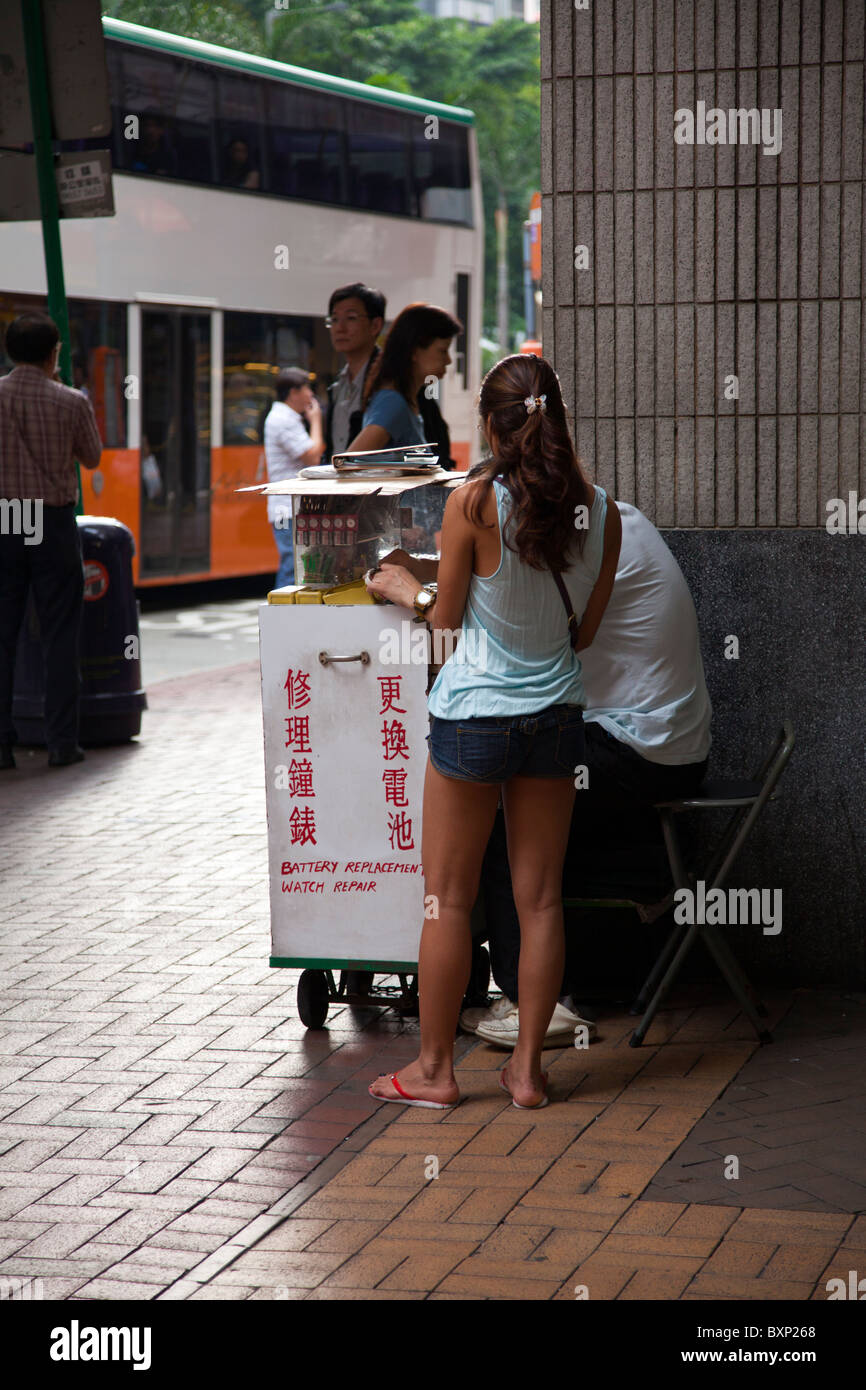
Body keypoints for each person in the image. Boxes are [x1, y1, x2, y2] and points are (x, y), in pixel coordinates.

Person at [364, 354, 622, 1110]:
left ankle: (437, 1072)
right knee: (540, 900)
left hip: (474, 716)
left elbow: (444, 630)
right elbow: (585, 635)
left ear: (491, 422)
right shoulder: (600, 509)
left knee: (446, 896)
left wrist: (412, 592)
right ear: (558, 415)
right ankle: (528, 1072)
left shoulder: (474, 503)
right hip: (556, 720)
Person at [467, 501, 713, 1048]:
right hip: (663, 745)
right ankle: (558, 979)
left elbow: (519, 633)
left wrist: (420, 593)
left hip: (641, 750)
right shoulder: (610, 521)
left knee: (511, 813)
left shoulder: (589, 539)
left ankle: (537, 1003)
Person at [0, 312, 102, 768]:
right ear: (53, 353)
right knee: (60, 632)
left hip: (7, 517)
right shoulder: (71, 401)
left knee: (4, 632)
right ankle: (62, 743)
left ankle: (2, 746)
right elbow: (93, 457)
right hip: (53, 519)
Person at [348, 302, 462, 454]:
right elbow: (349, 462)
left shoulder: (407, 401)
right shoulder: (393, 403)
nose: (448, 360)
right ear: (414, 351)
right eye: (442, 351)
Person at [263, 368, 323, 589]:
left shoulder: (284, 417)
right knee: (293, 566)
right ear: (293, 393)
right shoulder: (283, 420)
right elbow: (313, 455)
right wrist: (316, 421)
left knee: (295, 564)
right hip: (287, 507)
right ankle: (281, 617)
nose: (311, 395)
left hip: (288, 506)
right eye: (307, 389)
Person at [323, 283, 385, 460]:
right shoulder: (337, 387)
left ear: (375, 325)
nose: (339, 328)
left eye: (351, 318)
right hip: (343, 486)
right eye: (334, 319)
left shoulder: (388, 382)